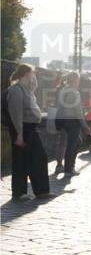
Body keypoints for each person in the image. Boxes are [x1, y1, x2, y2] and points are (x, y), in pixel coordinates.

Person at [5, 64, 51, 200]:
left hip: (31, 129)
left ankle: (42, 191)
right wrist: (19, 133)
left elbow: (34, 85)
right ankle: (19, 193)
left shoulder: (27, 89)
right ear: (26, 73)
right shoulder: (16, 90)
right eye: (33, 73)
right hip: (22, 129)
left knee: (39, 157)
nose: (34, 76)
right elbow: (16, 113)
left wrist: (33, 78)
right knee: (21, 161)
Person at [54, 72, 87, 177]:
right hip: (72, 121)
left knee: (69, 142)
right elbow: (78, 112)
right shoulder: (75, 92)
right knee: (72, 144)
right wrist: (84, 126)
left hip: (62, 119)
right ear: (75, 80)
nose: (80, 81)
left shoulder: (63, 90)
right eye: (79, 79)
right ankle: (69, 169)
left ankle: (62, 166)